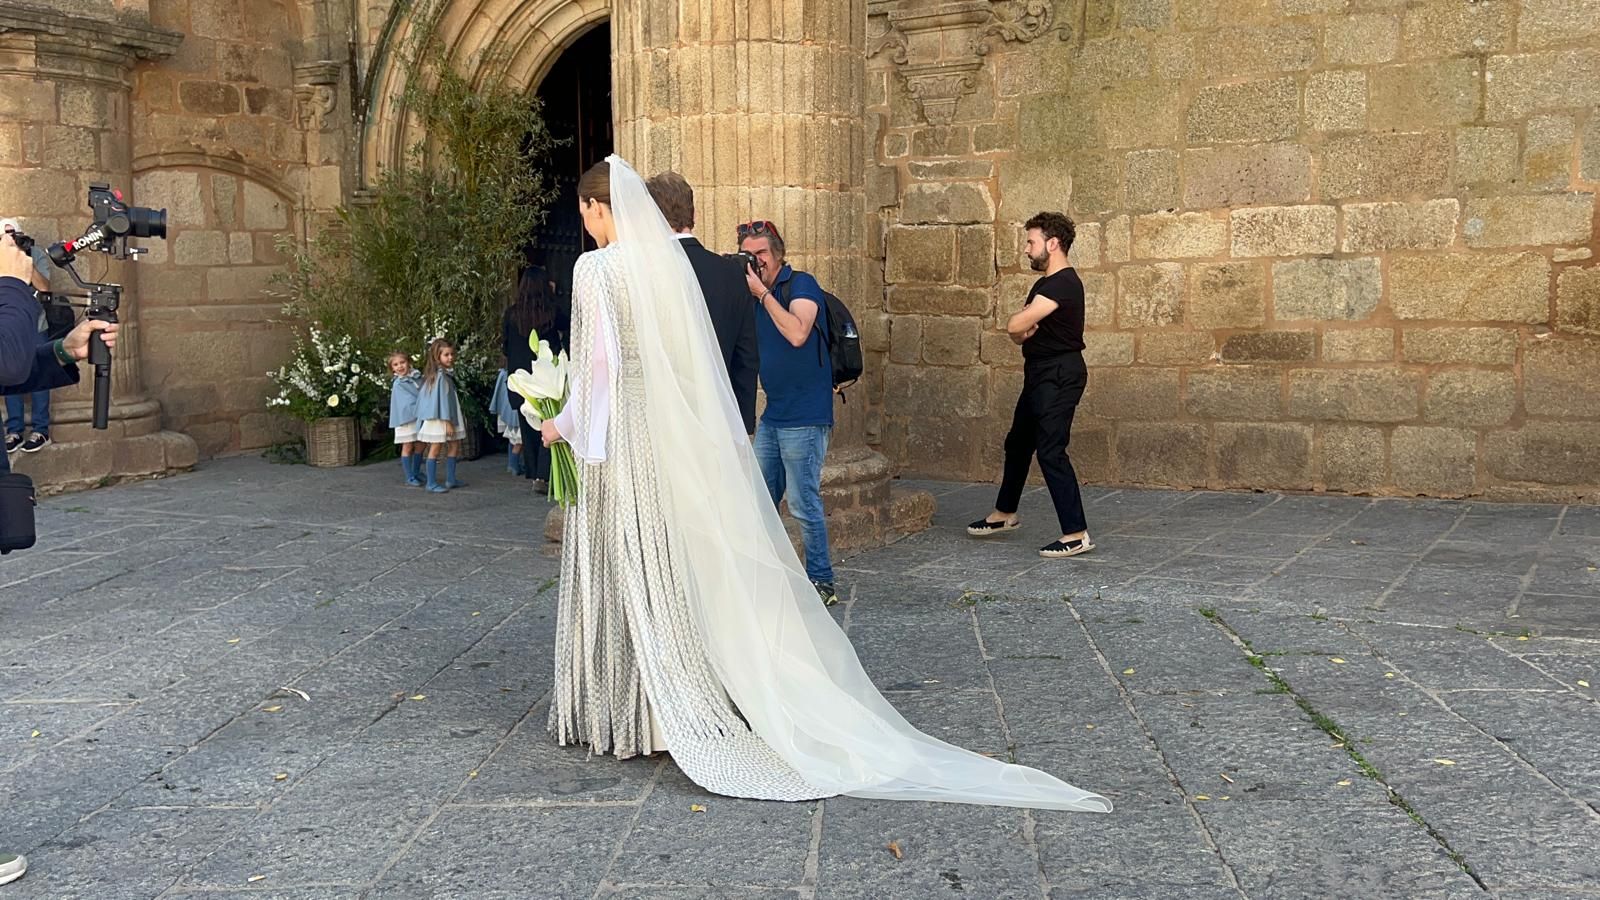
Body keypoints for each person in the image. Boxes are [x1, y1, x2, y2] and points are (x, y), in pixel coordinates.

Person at [537, 155, 1109, 813]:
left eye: (584, 210)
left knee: (624, 564)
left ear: (593, 208)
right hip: (664, 440)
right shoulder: (660, 269)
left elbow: (599, 370)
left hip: (624, 445)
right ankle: (673, 706)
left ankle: (618, 710)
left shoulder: (596, 269)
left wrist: (564, 426)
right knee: (666, 566)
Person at [968, 212, 1094, 559]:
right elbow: (1022, 336)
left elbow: (1015, 324)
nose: (1026, 249)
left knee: (1051, 449)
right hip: (1039, 372)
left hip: (1060, 374)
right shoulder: (1045, 286)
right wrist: (1020, 331)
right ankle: (1005, 514)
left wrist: (1019, 327)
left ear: (1052, 244)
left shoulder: (1062, 284)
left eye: (1031, 242)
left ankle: (1076, 533)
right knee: (1019, 442)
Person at [738, 219, 837, 605]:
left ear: (778, 254)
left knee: (802, 501)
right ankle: (762, 575)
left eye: (762, 253)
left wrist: (762, 293)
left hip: (806, 414)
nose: (756, 260)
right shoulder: (750, 294)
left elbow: (797, 332)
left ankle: (821, 581)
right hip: (775, 414)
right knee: (761, 500)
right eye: (750, 254)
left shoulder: (801, 284)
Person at [644, 171, 759, 435]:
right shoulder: (731, 272)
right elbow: (747, 356)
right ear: (693, 215)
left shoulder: (648, 271)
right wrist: (742, 426)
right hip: (721, 422)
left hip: (666, 424)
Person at [502, 266, 566, 493]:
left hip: (520, 380)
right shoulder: (552, 312)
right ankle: (544, 473)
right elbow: (568, 335)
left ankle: (534, 474)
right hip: (545, 376)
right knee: (548, 424)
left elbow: (505, 346)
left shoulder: (511, 314)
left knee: (528, 429)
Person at [1, 219, 53, 457]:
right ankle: (14, 430)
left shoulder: (35, 254)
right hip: (8, 325)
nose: (11, 238)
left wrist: (25, 265)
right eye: (6, 235)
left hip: (36, 324)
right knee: (10, 376)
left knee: (39, 375)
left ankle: (41, 430)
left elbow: (45, 288)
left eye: (14, 233)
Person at [414, 338, 465, 493]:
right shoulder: (440, 376)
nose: (450, 357)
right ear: (438, 357)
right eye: (446, 355)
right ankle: (431, 482)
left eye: (452, 354)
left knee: (454, 444)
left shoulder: (440, 374)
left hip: (447, 414)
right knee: (435, 447)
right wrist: (447, 422)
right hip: (441, 417)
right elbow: (441, 400)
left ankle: (451, 479)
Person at [386, 349, 424, 486]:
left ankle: (416, 471)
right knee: (408, 445)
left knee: (421, 443)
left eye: (402, 362)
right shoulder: (398, 384)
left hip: (419, 416)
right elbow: (405, 402)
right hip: (406, 419)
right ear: (392, 368)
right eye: (395, 365)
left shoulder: (417, 377)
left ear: (409, 362)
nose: (400, 366)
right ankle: (409, 476)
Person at [488, 360, 526, 476]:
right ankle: (514, 466)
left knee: (512, 439)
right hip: (516, 413)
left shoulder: (503, 373)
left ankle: (511, 464)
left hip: (507, 412)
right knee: (519, 442)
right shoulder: (516, 375)